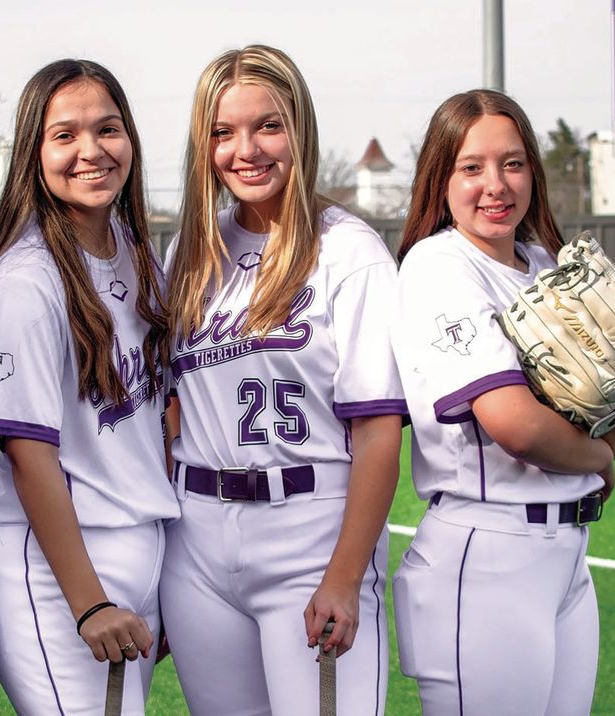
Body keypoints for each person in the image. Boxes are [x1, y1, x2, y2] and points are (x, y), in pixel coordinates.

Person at [161, 45, 404, 715]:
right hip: (199, 544)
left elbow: (379, 431)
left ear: (300, 129)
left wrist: (345, 576)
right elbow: (173, 408)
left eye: (268, 125)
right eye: (223, 131)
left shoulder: (349, 251)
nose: (247, 149)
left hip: (311, 534)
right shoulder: (188, 252)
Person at [391, 89, 615, 716]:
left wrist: (598, 437)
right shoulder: (439, 263)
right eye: (471, 167)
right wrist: (602, 452)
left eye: (514, 163)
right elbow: (516, 425)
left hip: (566, 553)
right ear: (439, 179)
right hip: (487, 551)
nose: (495, 184)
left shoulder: (541, 263)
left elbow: (606, 401)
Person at [0, 59, 179, 714]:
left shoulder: (134, 249)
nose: (91, 151)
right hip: (59, 572)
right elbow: (30, 458)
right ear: (34, 153)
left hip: (139, 551)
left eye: (108, 129)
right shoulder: (25, 279)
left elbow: (157, 423)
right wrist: (88, 602)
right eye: (65, 136)